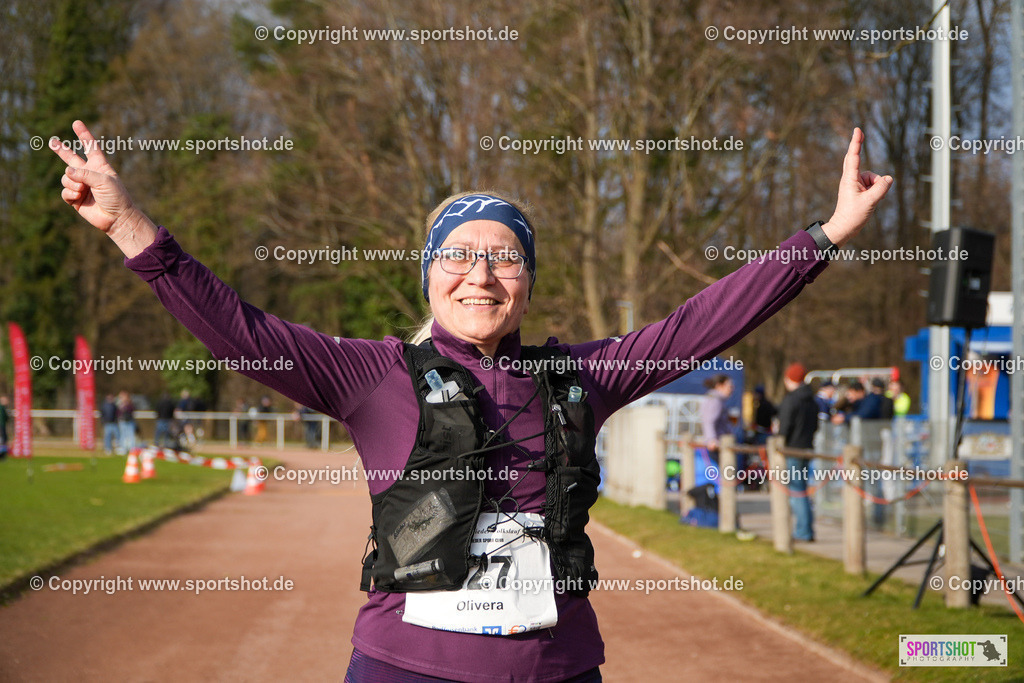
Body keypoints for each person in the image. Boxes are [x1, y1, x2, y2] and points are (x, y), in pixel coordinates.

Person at [50, 120, 890, 682]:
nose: (480, 274)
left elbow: (703, 320)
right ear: (429, 276)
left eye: (505, 257)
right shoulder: (369, 374)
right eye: (458, 255)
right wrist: (131, 227)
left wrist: (824, 236)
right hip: (405, 667)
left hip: (560, 668)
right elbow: (238, 327)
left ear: (527, 279)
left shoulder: (581, 377)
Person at [777, 363, 819, 542]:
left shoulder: (791, 400)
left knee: (796, 491)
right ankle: (806, 527)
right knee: (802, 489)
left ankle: (803, 531)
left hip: (792, 449)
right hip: (807, 448)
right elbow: (816, 426)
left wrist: (779, 441)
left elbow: (785, 427)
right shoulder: (812, 400)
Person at [700, 374, 734, 464]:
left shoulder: (716, 399)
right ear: (719, 386)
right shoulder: (715, 400)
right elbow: (708, 421)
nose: (731, 389)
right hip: (717, 443)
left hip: (720, 441)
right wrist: (711, 439)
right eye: (729, 386)